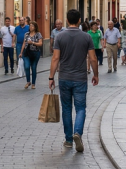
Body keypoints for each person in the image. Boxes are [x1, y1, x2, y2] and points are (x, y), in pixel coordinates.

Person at [49, 9, 97, 152]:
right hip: (80, 78)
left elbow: (55, 58)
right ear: (79, 20)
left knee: (66, 108)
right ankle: (78, 133)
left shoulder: (60, 37)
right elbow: (93, 58)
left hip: (64, 78)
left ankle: (69, 140)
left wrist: (51, 77)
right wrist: (96, 74)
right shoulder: (86, 37)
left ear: (67, 20)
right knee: (81, 108)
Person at [21, 21, 43, 89]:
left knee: (33, 68)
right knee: (27, 66)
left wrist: (33, 43)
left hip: (35, 53)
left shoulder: (38, 34)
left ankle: (33, 84)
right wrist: (21, 52)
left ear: (35, 27)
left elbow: (40, 44)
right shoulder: (26, 34)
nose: (30, 27)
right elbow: (24, 43)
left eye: (32, 26)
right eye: (30, 26)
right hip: (27, 53)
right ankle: (28, 82)